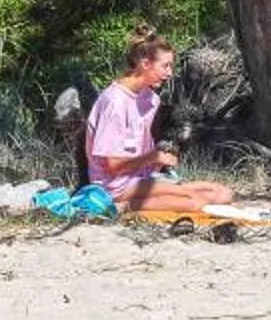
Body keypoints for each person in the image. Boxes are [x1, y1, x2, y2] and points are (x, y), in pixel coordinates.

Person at [85, 31, 236, 219]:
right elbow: (112, 166)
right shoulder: (115, 102)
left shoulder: (150, 98)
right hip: (115, 185)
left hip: (142, 178)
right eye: (165, 66)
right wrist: (152, 157)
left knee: (223, 194)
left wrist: (159, 157)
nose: (169, 73)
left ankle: (151, 199)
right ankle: (121, 207)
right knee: (195, 202)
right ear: (145, 64)